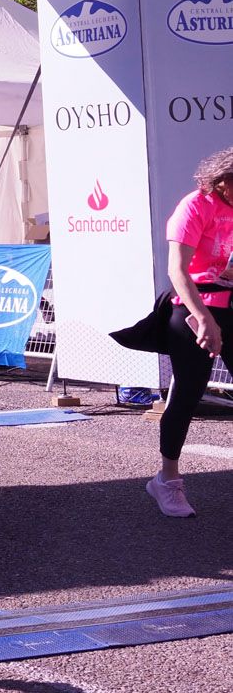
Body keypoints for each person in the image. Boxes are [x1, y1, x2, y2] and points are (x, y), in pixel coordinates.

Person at [146, 146, 233, 518]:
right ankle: (167, 481)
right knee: (187, 394)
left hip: (229, 303)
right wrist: (203, 318)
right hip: (191, 308)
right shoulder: (194, 207)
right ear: (223, 181)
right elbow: (177, 271)